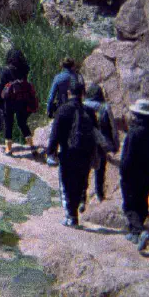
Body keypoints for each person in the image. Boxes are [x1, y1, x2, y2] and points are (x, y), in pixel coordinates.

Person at [47, 77, 101, 227]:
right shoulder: (89, 112)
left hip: (68, 152)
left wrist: (50, 151)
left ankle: (71, 216)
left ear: (69, 92)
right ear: (83, 93)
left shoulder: (63, 109)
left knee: (66, 184)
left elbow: (55, 132)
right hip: (85, 153)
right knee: (80, 182)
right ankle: (75, 212)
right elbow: (96, 134)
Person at [119, 99, 149, 242]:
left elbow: (127, 157)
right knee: (143, 203)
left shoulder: (134, 132)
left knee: (129, 204)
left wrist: (123, 172)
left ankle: (139, 231)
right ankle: (135, 233)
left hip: (133, 176)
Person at [0, 48, 37, 156]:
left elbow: (0, 88)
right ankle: (32, 147)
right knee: (22, 123)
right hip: (22, 100)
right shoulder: (25, 69)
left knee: (9, 124)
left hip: (10, 101)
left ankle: (8, 150)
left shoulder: (6, 71)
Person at [83, 82, 118, 201]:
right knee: (100, 168)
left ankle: (83, 197)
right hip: (102, 142)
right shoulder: (105, 107)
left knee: (85, 168)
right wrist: (115, 144)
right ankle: (99, 194)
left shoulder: (82, 105)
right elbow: (113, 127)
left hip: (87, 141)